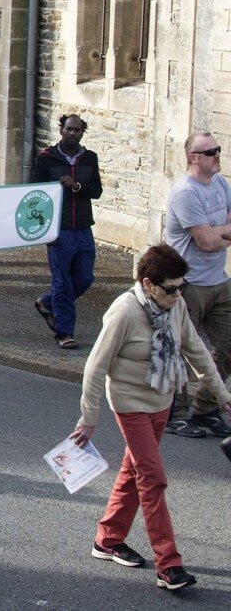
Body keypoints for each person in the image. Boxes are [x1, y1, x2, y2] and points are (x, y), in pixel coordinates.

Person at [71, 244, 231, 592]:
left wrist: (222, 395)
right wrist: (89, 417)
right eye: (172, 288)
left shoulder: (176, 308)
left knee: (135, 469)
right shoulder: (124, 312)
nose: (179, 294)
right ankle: (169, 565)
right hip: (130, 404)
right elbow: (95, 366)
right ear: (148, 283)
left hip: (163, 399)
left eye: (182, 287)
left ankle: (108, 538)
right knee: (153, 477)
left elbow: (196, 350)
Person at [161, 131, 231, 439]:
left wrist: (220, 232)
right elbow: (206, 241)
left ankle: (204, 409)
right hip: (188, 285)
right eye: (210, 151)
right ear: (193, 158)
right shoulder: (185, 193)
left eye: (218, 149)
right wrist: (220, 233)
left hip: (219, 281)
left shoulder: (220, 183)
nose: (217, 155)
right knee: (176, 350)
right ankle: (173, 415)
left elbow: (220, 235)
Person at [33, 114, 104, 350]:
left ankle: (48, 302)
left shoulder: (89, 158)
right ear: (61, 130)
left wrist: (77, 186)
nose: (73, 133)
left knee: (85, 277)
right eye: (69, 129)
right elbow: (35, 192)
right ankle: (64, 332)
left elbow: (96, 191)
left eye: (77, 130)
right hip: (58, 229)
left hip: (83, 227)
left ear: (82, 132)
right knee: (62, 281)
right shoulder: (46, 159)